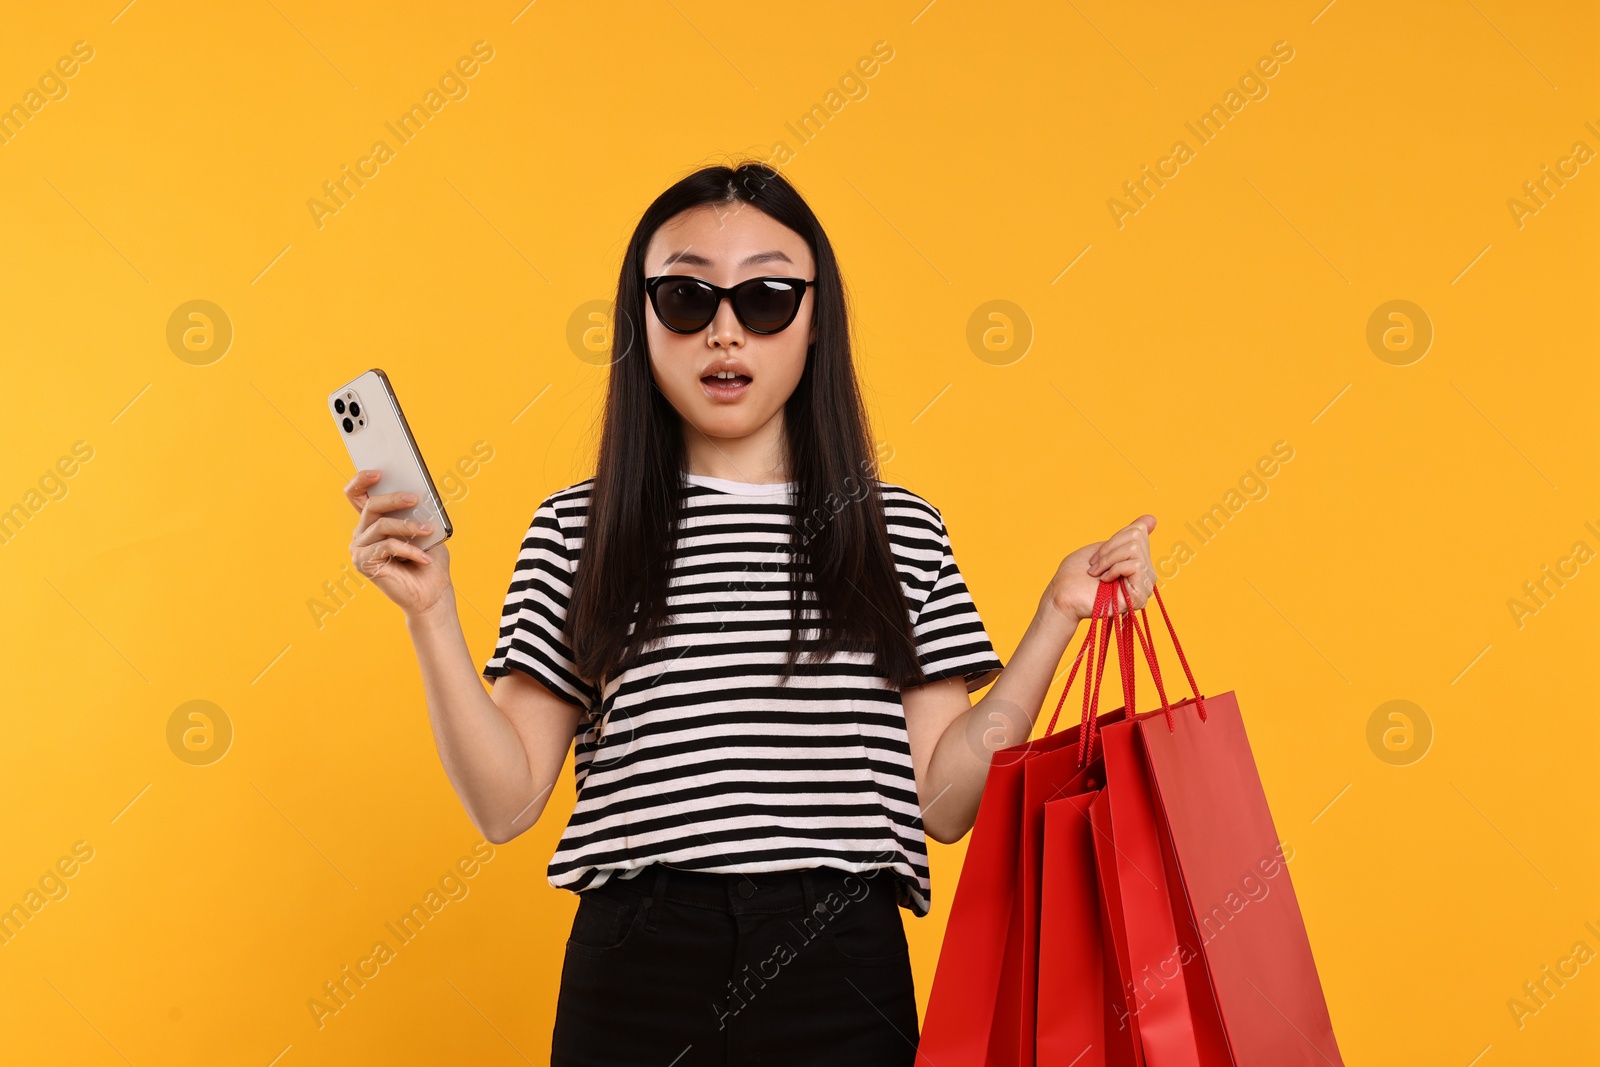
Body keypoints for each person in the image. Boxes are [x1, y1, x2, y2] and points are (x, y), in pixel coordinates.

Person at [339, 160, 1157, 1066]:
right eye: (687, 297)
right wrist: (431, 612)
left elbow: (943, 801)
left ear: (814, 321)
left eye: (766, 296)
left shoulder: (899, 530)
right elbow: (505, 803)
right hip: (639, 966)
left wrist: (1054, 615)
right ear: (641, 319)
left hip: (841, 964)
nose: (725, 331)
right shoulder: (582, 526)